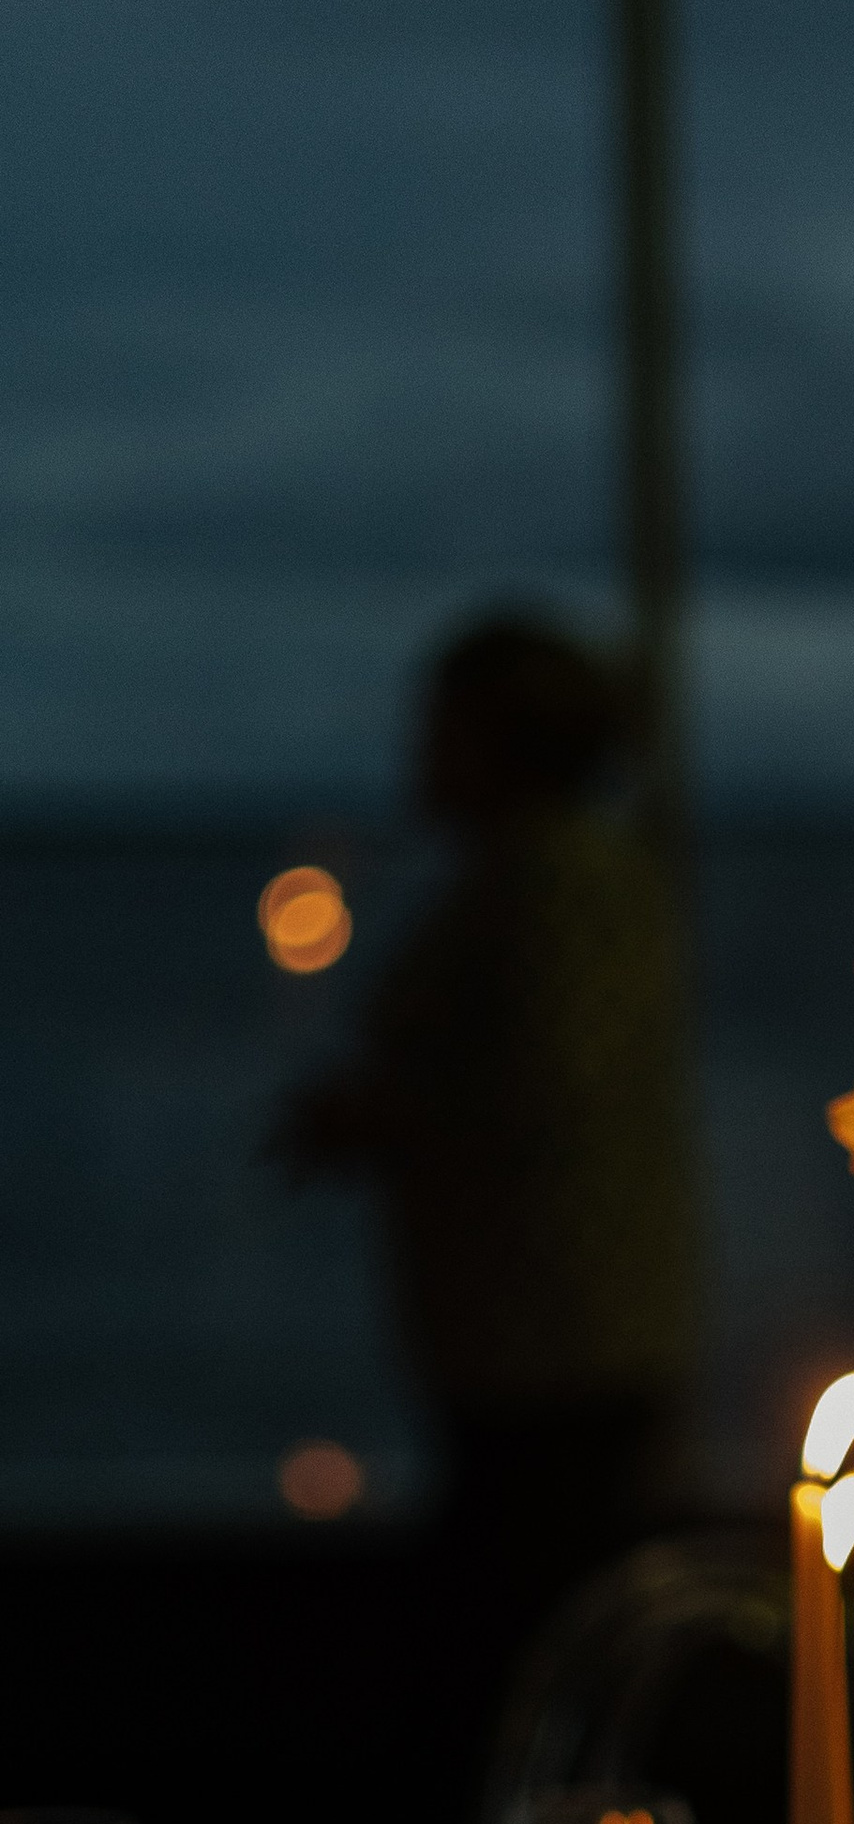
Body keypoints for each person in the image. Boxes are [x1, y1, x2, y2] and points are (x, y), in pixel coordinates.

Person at [276, 613, 698, 1629]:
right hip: (555, 1336)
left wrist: (381, 1120)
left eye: (439, 728)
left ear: (503, 743)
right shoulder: (552, 877)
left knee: (527, 1618)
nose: (417, 753)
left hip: (553, 1350)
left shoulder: (555, 885)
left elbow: (545, 1090)